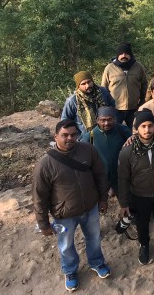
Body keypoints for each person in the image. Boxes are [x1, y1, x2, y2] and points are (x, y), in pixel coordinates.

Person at [32, 120, 110, 292]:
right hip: (64, 214)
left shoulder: (88, 150)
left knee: (94, 238)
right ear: (56, 137)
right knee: (66, 245)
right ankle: (70, 271)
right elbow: (39, 197)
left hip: (90, 207)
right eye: (65, 135)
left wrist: (103, 199)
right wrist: (43, 223)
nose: (70, 138)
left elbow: (100, 175)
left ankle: (97, 262)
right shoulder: (45, 164)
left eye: (74, 134)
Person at [118, 109, 154, 265]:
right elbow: (123, 179)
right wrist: (124, 203)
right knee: (142, 223)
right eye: (143, 126)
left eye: (150, 125)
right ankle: (144, 245)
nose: (147, 130)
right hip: (139, 195)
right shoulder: (127, 152)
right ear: (136, 129)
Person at [86, 106, 131, 196]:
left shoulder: (122, 130)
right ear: (97, 120)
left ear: (114, 119)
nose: (106, 123)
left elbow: (133, 141)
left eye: (109, 119)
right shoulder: (91, 135)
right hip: (102, 175)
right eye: (103, 120)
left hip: (121, 173)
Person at [101, 42, 148, 127]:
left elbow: (144, 84)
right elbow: (103, 88)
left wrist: (142, 101)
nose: (124, 56)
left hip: (134, 108)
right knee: (115, 132)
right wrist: (107, 106)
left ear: (130, 54)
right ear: (117, 55)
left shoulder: (138, 67)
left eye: (126, 53)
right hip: (115, 109)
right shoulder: (109, 68)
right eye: (121, 54)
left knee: (135, 131)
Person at [61, 70, 115, 141]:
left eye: (89, 82)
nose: (88, 86)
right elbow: (65, 121)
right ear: (78, 86)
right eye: (83, 84)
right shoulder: (73, 101)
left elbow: (112, 107)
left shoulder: (103, 92)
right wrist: (76, 136)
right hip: (86, 137)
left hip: (106, 133)